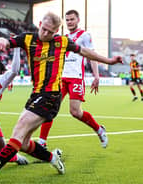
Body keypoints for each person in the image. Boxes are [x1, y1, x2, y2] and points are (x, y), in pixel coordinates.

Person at [0, 11, 122, 182]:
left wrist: (108, 61)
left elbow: (84, 51)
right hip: (36, 94)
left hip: (51, 96)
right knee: (24, 144)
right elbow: (9, 41)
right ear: (40, 24)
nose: (46, 34)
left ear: (56, 31)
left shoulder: (62, 41)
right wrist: (1, 40)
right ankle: (53, 158)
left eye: (51, 32)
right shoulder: (27, 38)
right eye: (44, 29)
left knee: (19, 130)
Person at [38, 9, 107, 149]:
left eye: (72, 19)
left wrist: (96, 75)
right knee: (49, 108)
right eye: (67, 20)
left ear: (78, 20)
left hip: (76, 77)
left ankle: (99, 129)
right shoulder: (62, 37)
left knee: (75, 112)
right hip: (60, 78)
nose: (69, 22)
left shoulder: (85, 35)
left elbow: (92, 55)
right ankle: (42, 141)